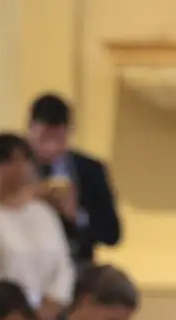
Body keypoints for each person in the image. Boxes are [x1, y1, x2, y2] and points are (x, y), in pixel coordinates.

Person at [0, 133, 75, 320]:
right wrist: (22, 314)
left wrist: (53, 303)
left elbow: (63, 266)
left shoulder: (42, 212)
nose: (20, 169)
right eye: (10, 161)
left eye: (25, 160)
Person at [26, 93, 122, 267]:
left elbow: (112, 234)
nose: (51, 147)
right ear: (30, 130)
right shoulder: (9, 168)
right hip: (23, 261)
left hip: (75, 262)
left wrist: (77, 215)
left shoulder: (90, 170)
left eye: (60, 139)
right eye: (44, 138)